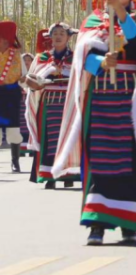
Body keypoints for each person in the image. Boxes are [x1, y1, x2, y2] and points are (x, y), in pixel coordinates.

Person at [53, 0, 136, 245]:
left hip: (129, 103)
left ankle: (129, 223)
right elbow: (82, 59)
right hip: (100, 101)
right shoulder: (91, 22)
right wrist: (101, 62)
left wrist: (120, 15)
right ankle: (96, 224)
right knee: (101, 161)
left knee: (131, 162)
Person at [23, 23, 80, 189]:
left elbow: (81, 77)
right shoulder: (41, 58)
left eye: (62, 33)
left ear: (69, 37)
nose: (58, 36)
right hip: (49, 102)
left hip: (70, 103)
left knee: (70, 138)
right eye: (55, 33)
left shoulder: (76, 57)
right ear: (50, 37)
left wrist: (63, 72)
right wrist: (49, 71)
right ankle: (50, 176)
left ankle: (69, 174)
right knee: (50, 139)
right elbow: (32, 79)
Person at [0, 21, 24, 173]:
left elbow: (24, 75)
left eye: (4, 39)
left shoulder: (16, 54)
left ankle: (15, 161)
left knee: (13, 129)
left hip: (11, 94)